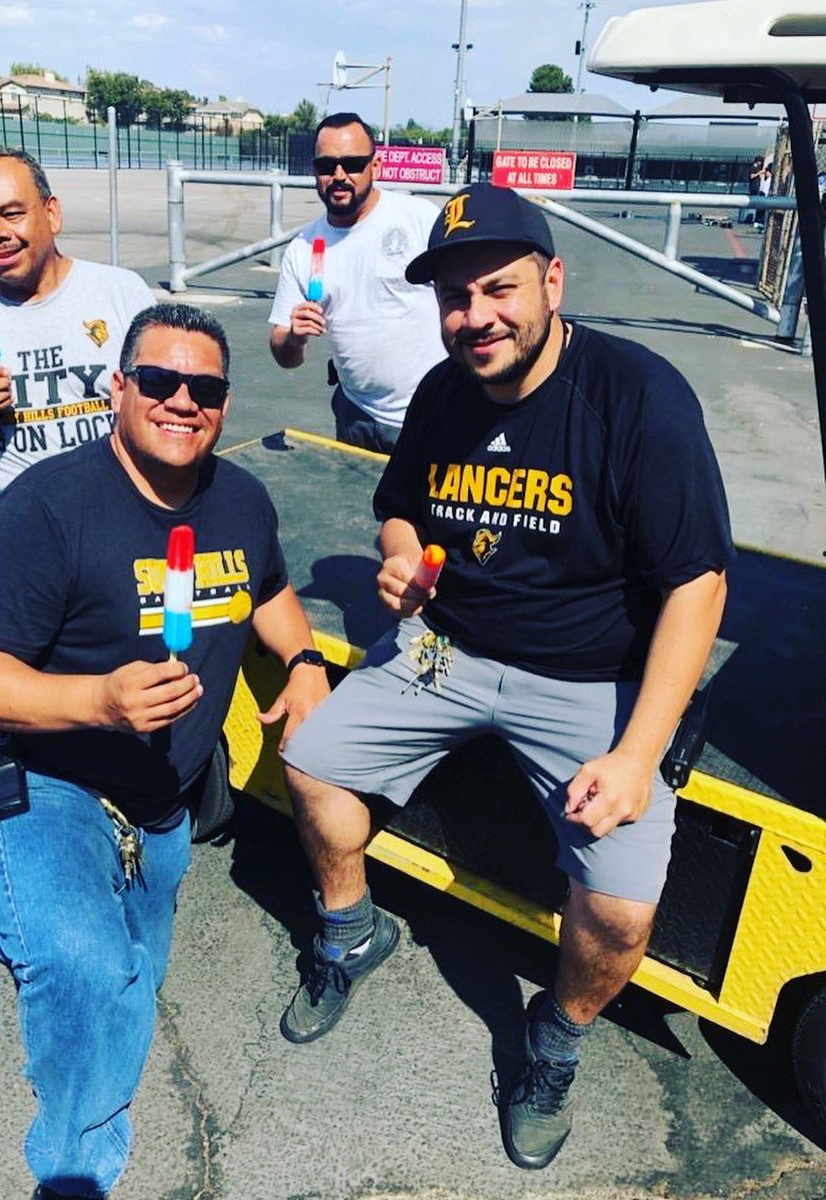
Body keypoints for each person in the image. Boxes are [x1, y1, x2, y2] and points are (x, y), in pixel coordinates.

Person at [277, 186, 733, 1170]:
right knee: (310, 762)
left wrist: (637, 753)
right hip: (450, 649)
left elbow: (699, 586)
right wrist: (402, 557)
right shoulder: (445, 392)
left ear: (552, 283)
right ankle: (350, 930)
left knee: (619, 906)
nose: (475, 315)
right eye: (453, 296)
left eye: (498, 288)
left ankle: (555, 1043)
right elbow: (399, 509)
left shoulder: (637, 396)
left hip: (588, 677)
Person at [0, 304, 330, 1200]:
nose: (181, 402)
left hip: (158, 801)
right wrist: (94, 699)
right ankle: (75, 1171)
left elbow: (270, 586)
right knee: (92, 975)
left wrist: (306, 656)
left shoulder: (239, 499)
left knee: (135, 975)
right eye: (158, 382)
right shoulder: (46, 508)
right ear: (118, 388)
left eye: (203, 389)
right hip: (34, 774)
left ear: (224, 402)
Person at [0, 145, 155, 496]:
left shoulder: (122, 293)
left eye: (11, 213)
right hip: (20, 525)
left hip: (119, 509)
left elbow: (163, 403)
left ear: (51, 214)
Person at [268, 112, 446, 453]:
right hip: (355, 415)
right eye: (326, 166)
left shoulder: (419, 220)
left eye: (351, 163)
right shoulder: (304, 248)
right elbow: (285, 355)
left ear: (374, 165)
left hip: (431, 414)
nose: (338, 176)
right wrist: (293, 335)